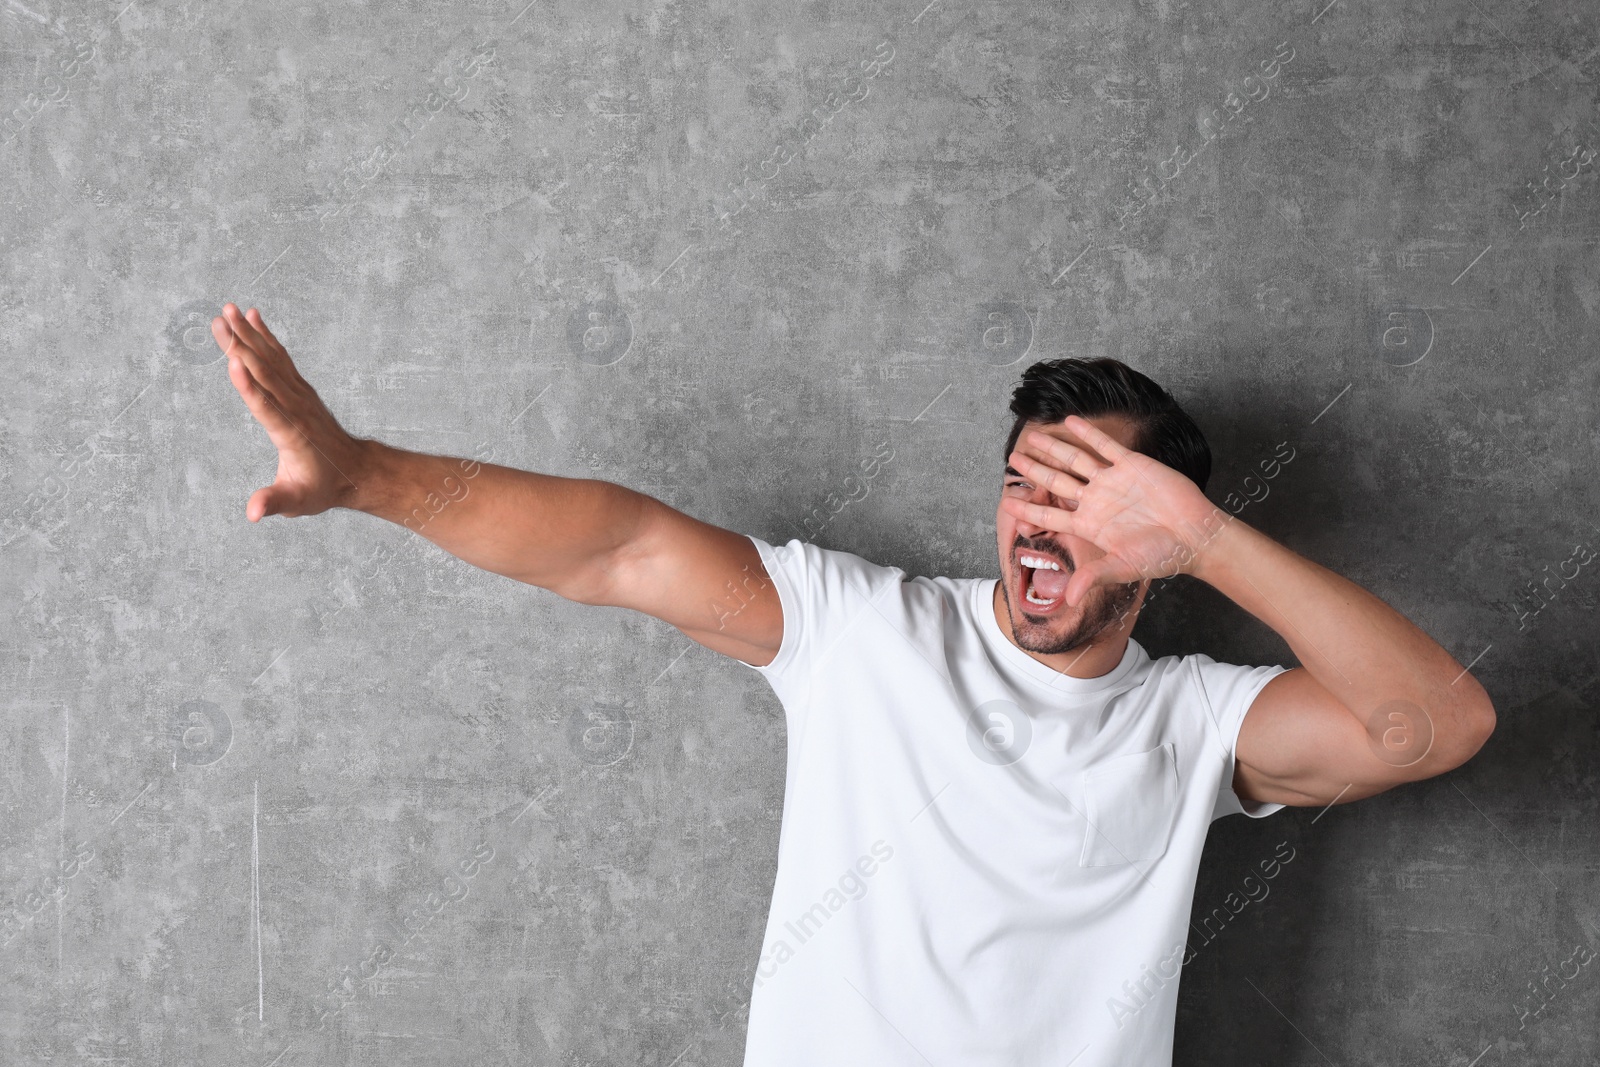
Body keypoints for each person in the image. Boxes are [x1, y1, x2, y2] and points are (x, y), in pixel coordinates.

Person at [210, 303, 1496, 1065]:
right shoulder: (864, 633)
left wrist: (1209, 537)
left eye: (1092, 498)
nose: (1040, 522)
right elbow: (618, 543)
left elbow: (1437, 722)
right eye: (1025, 484)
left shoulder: (1194, 721)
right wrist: (366, 470)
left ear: (1161, 537)